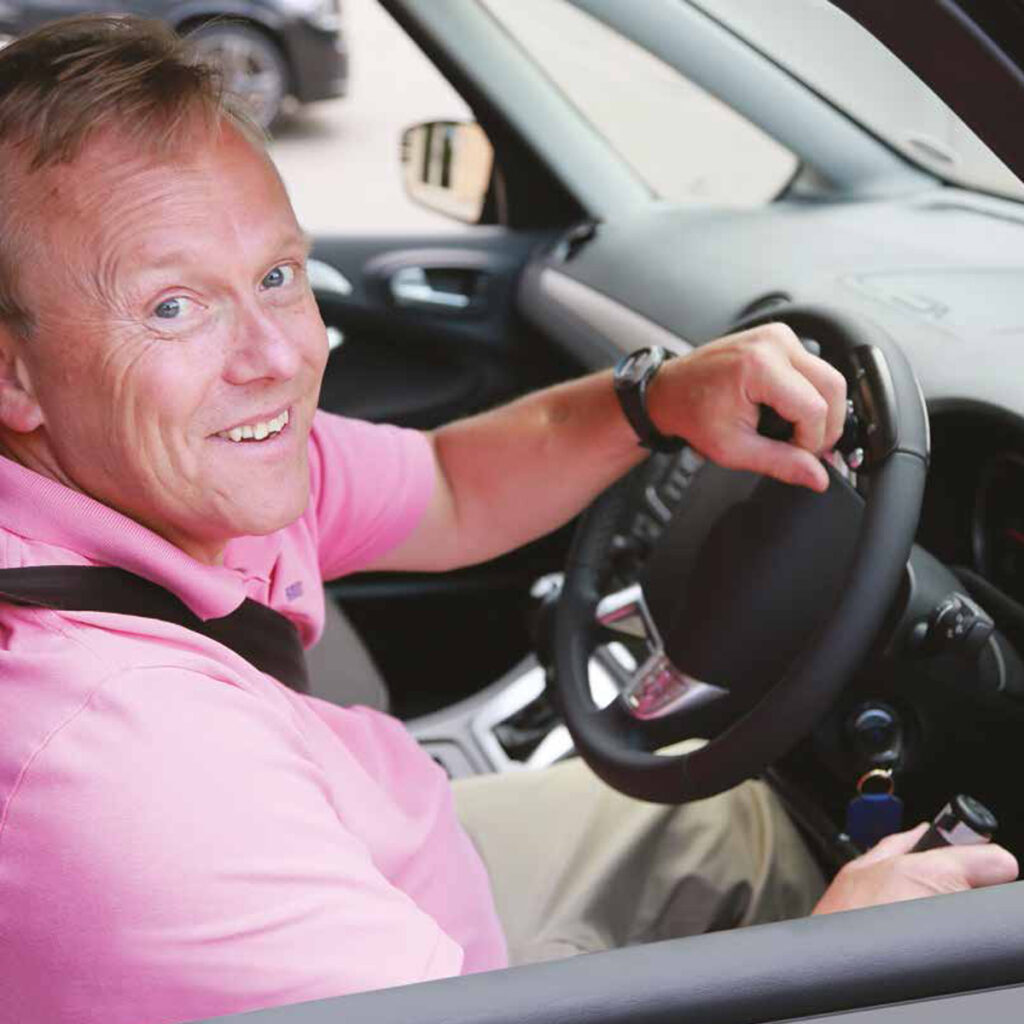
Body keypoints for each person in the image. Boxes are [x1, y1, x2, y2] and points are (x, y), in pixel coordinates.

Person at [0, 16, 1015, 1024]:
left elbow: (449, 486)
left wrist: (652, 400)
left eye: (276, 276)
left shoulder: (163, 479)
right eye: (173, 307)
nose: (276, 356)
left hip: (393, 856)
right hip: (417, 957)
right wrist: (841, 966)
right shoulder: (138, 776)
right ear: (14, 371)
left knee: (739, 821)